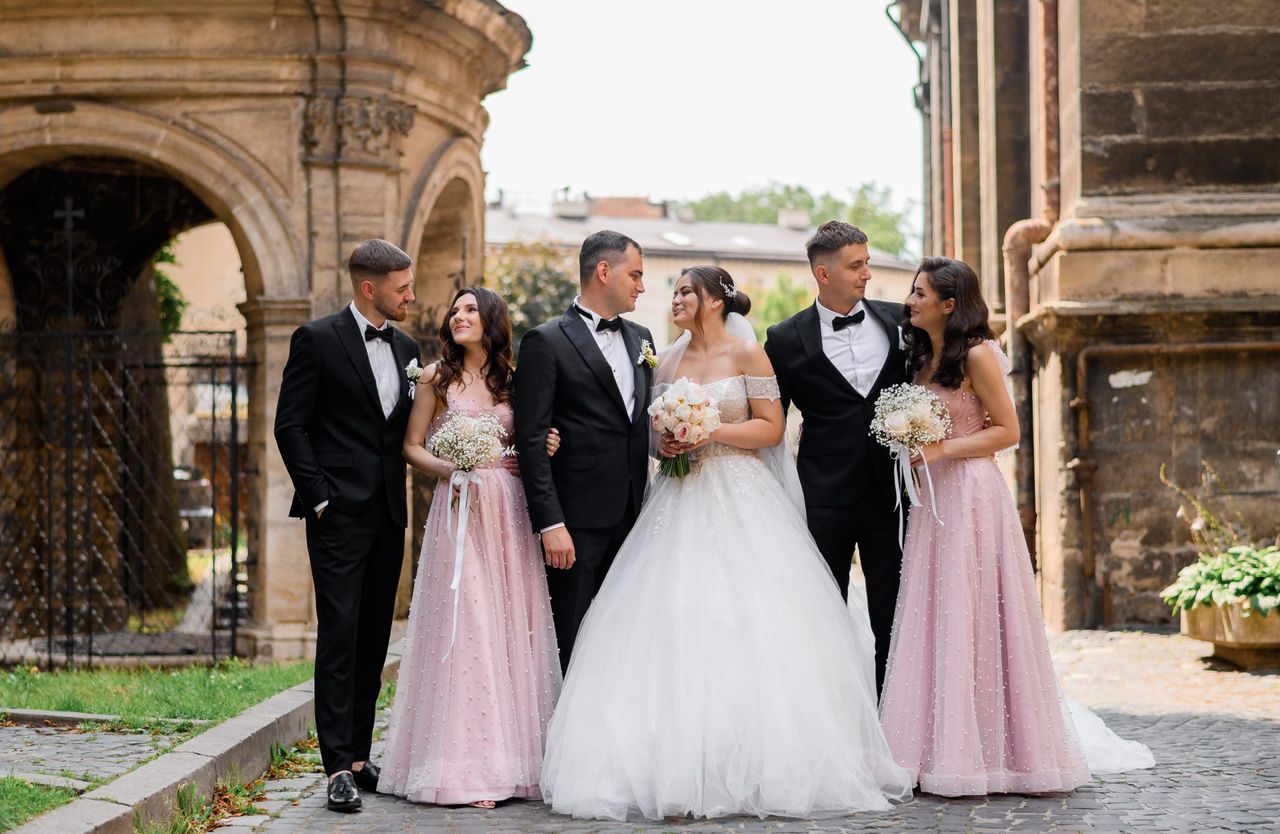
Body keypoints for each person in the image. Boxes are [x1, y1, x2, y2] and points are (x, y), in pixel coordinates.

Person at [539, 266, 912, 821]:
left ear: (715, 300)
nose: (675, 299)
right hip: (677, 499)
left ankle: (762, 758)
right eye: (674, 292)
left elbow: (770, 427)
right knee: (673, 623)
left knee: (751, 621)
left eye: (686, 291)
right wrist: (667, 443)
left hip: (743, 494)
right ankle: (670, 758)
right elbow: (649, 439)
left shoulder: (747, 354)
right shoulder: (661, 360)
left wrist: (708, 432)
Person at [878, 257, 1154, 796]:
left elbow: (1009, 431)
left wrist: (941, 448)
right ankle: (929, 747)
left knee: (976, 609)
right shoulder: (921, 357)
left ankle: (997, 752)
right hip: (933, 500)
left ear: (949, 303)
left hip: (973, 494)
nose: (908, 302)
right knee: (938, 609)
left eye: (918, 294)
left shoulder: (977, 353)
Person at [378, 287, 563, 809]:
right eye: (454, 310)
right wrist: (455, 471)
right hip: (460, 513)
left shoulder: (516, 381)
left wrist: (545, 444)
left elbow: (524, 445)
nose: (459, 316)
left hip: (508, 511)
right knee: (468, 625)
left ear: (492, 320)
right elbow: (412, 446)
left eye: (469, 309)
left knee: (508, 626)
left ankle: (514, 764)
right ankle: (469, 770)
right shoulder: (436, 378)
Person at [273, 239, 419, 812]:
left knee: (374, 638)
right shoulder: (316, 339)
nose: (411, 295)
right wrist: (319, 499)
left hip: (388, 511)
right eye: (402, 287)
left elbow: (407, 428)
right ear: (369, 288)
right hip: (337, 514)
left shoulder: (407, 346)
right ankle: (334, 766)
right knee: (339, 634)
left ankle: (359, 757)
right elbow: (292, 426)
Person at [764, 221, 908, 694]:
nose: (867, 273)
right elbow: (771, 423)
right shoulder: (784, 339)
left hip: (892, 495)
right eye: (856, 265)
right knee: (823, 613)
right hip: (822, 497)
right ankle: (835, 719)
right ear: (823, 274)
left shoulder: (901, 323)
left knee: (894, 613)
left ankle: (893, 719)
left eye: (866, 263)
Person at [514, 230, 655, 673]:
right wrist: (551, 522)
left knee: (625, 637)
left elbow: (638, 420)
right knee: (569, 638)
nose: (641, 286)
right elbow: (532, 439)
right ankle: (563, 738)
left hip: (635, 516)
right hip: (574, 523)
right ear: (603, 271)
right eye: (635, 274)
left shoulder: (642, 338)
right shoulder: (546, 341)